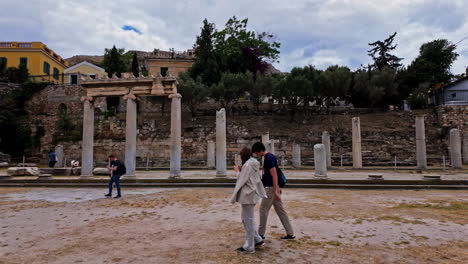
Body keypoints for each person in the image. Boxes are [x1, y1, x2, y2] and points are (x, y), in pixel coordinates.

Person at [251, 142, 295, 240]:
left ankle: (260, 234)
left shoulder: (268, 159)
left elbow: (274, 175)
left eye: (256, 153)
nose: (256, 155)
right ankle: (290, 233)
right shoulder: (269, 157)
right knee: (280, 211)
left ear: (260, 150)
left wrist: (275, 190)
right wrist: (277, 188)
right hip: (273, 187)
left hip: (271, 188)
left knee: (263, 210)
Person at [230, 147, 267, 254]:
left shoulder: (247, 165)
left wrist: (237, 172)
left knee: (248, 220)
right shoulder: (253, 163)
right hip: (252, 194)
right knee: (246, 219)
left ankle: (249, 246)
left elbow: (242, 180)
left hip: (247, 195)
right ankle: (257, 239)